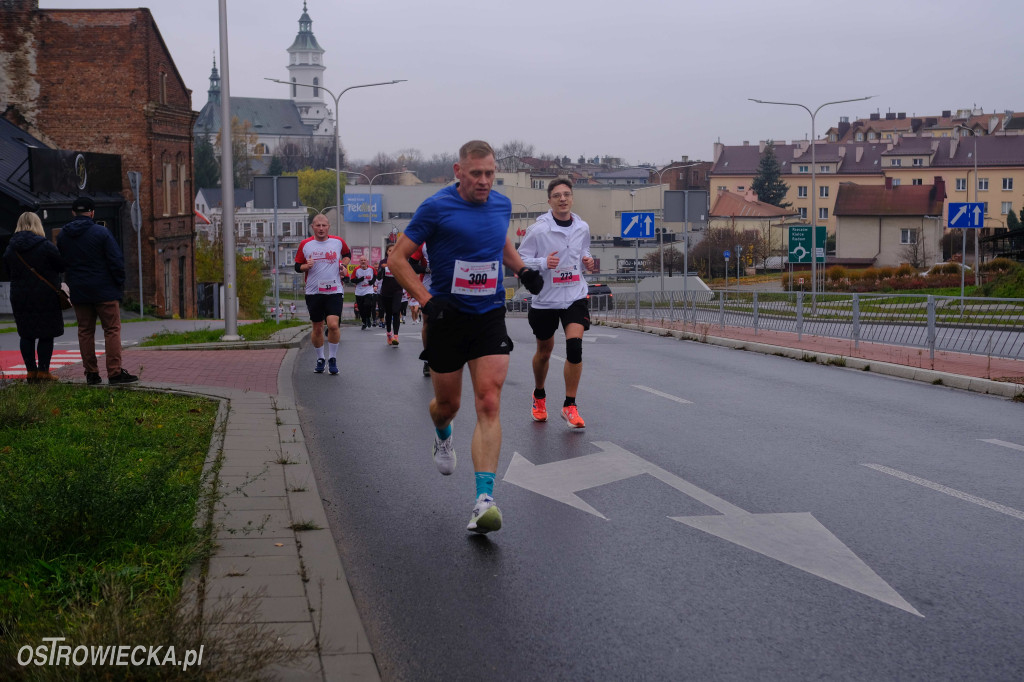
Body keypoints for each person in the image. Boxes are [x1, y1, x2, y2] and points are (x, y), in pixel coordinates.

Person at [390, 140, 543, 534]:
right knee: (448, 405)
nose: (484, 181)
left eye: (490, 173)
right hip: (447, 316)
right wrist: (427, 301)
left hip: (489, 314)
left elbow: (499, 241)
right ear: (458, 172)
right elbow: (397, 258)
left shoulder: (501, 205)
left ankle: (484, 501)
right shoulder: (436, 207)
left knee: (489, 400)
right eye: (476, 174)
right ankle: (443, 434)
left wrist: (523, 269)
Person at [517, 178, 597, 429]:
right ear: (549, 201)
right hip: (546, 299)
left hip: (574, 295)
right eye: (557, 195)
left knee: (575, 348)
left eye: (567, 194)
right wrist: (543, 263)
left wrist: (587, 260)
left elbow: (584, 251)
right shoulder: (538, 230)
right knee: (544, 352)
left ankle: (570, 405)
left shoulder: (582, 227)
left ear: (572, 198)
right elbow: (520, 259)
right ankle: (539, 395)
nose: (563, 199)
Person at [57, 196, 137, 385]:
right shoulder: (102, 233)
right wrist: (119, 283)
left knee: (85, 331)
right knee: (111, 329)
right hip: (105, 290)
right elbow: (116, 261)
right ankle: (115, 373)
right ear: (92, 213)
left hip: (79, 290)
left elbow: (62, 262)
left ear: (73, 212)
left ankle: (91, 374)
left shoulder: (63, 236)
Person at [3, 212, 66, 383]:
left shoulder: (11, 248)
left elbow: (7, 271)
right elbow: (61, 265)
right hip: (45, 295)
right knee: (46, 333)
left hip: (20, 296)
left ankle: (31, 372)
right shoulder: (45, 245)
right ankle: (44, 372)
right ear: (37, 224)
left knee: (26, 334)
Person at [294, 213, 351, 375]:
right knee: (318, 328)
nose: (321, 228)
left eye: (323, 225)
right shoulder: (305, 244)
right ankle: (320, 358)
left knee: (333, 325)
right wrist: (306, 266)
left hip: (334, 290)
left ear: (328, 227)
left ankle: (332, 358)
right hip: (314, 291)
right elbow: (297, 266)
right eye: (317, 225)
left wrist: (343, 265)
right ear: (312, 227)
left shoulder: (338, 242)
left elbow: (347, 255)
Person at [376, 243, 404, 346]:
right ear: (387, 252)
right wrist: (382, 269)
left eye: (394, 250)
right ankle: (389, 334)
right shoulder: (383, 262)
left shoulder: (401, 261)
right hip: (386, 292)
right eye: (389, 250)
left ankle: (396, 336)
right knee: (388, 313)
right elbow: (378, 277)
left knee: (396, 311)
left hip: (398, 290)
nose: (392, 252)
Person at [351, 255, 377, 330]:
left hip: (368, 290)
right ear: (359, 261)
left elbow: (375, 275)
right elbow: (352, 280)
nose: (363, 262)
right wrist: (359, 280)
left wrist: (372, 281)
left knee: (368, 304)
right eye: (361, 260)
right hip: (359, 291)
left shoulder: (371, 268)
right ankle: (364, 321)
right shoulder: (356, 269)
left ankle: (368, 317)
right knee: (361, 308)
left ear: (367, 261)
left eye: (364, 260)